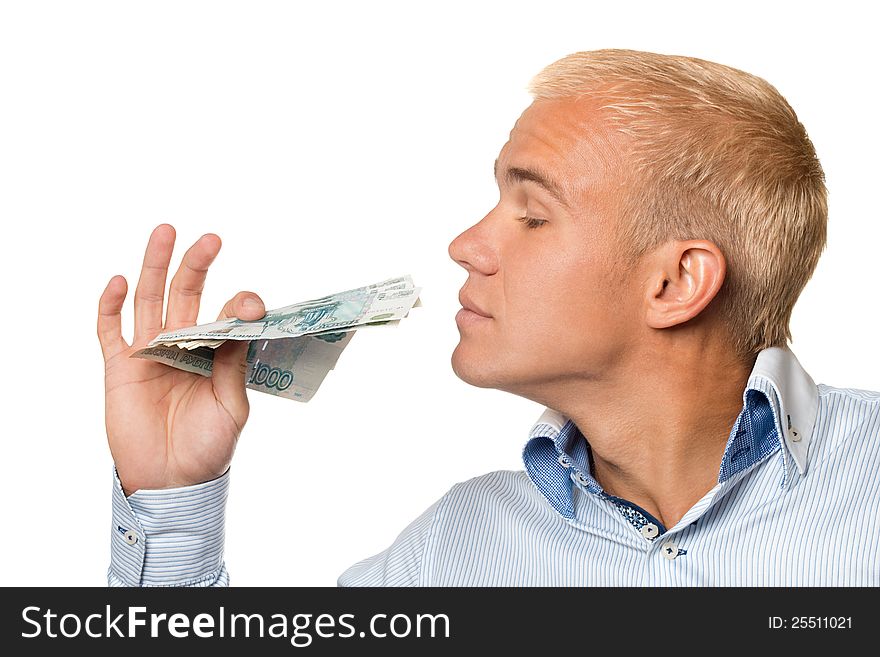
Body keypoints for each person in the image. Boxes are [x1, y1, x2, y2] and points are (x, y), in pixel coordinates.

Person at [96, 49, 880, 586]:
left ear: (676, 282)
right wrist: (171, 500)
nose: (466, 244)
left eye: (532, 215)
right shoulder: (453, 552)